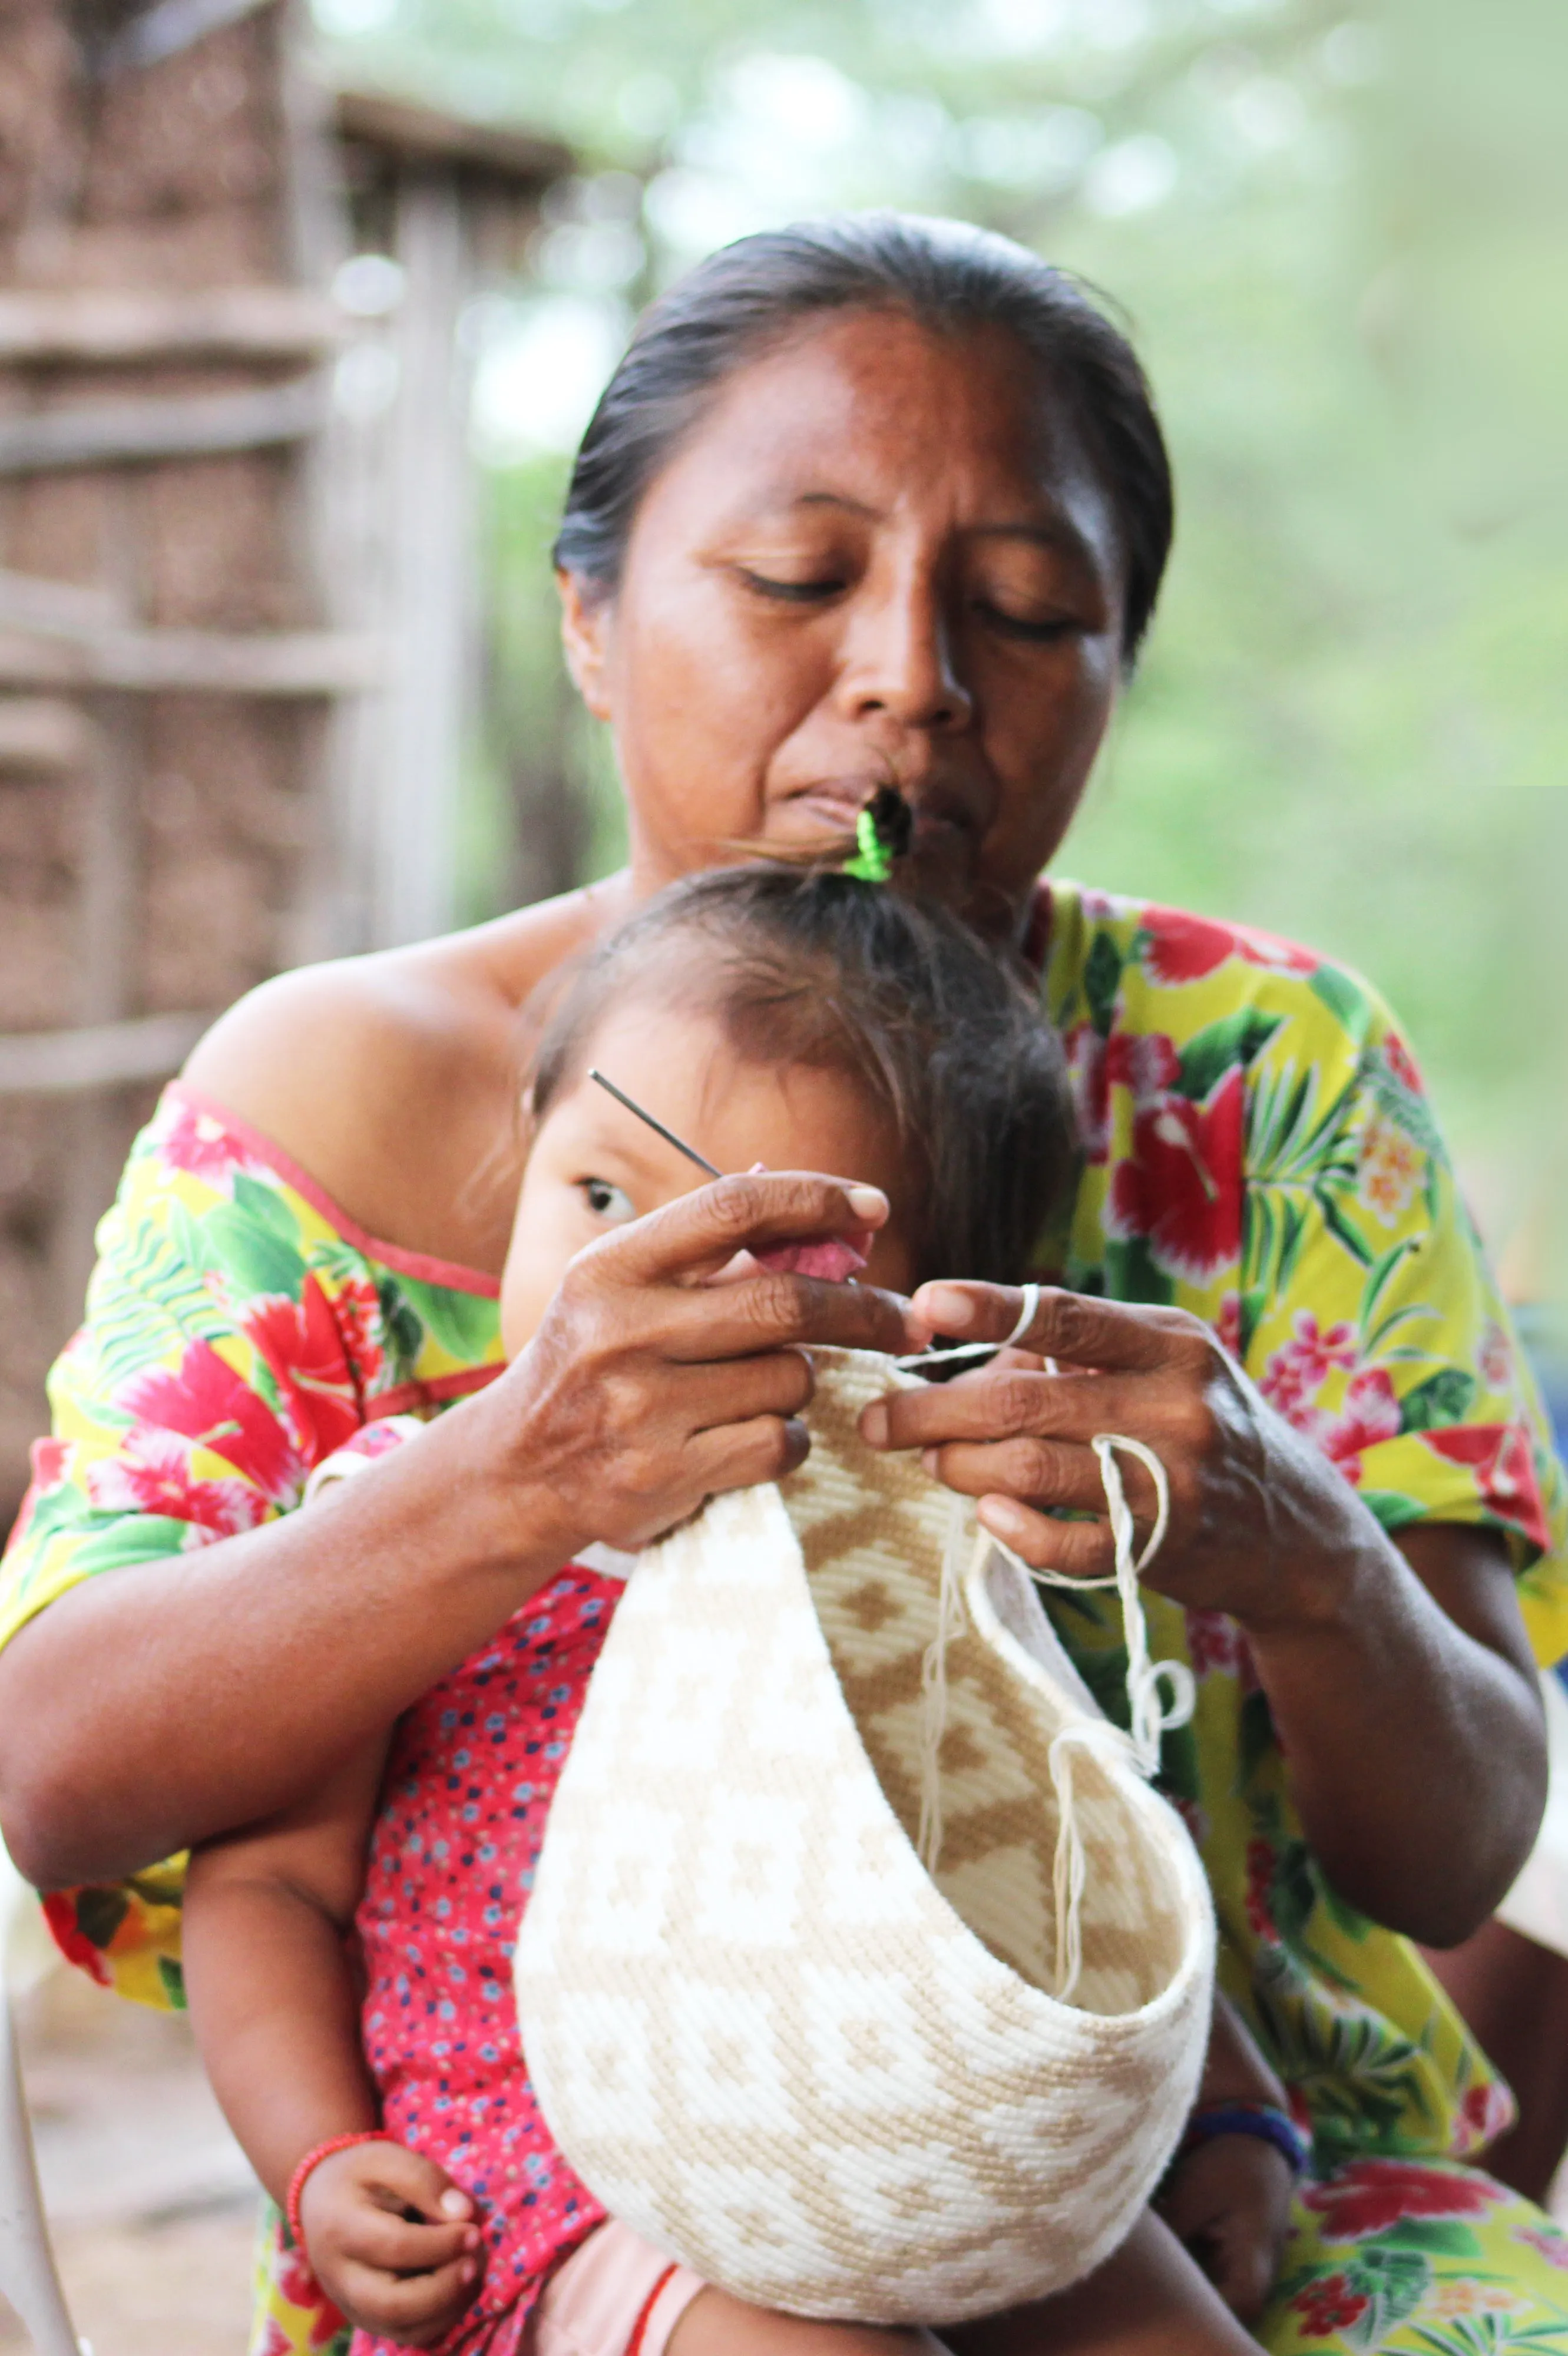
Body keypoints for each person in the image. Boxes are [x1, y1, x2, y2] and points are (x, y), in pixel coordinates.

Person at [0, 213, 1563, 2356]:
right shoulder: (344, 1090)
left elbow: (1461, 1853)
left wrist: (1300, 1558)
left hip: (1168, 2181)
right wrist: (508, 1483)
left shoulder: (1258, 1073)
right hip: (547, 2204)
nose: (912, 674)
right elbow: (64, 1771)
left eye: (1024, 609)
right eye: (795, 579)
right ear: (587, 614)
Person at [180, 863, 1264, 2355]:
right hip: (562, 2183)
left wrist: (1234, 2107)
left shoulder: (924, 1537)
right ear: (525, 1149)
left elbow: (1067, 1858)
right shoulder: (406, 1522)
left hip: (922, 2129)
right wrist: (315, 2161)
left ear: (928, 1324)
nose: (649, 1288)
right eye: (606, 1195)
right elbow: (268, 1887)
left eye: (780, 1268)